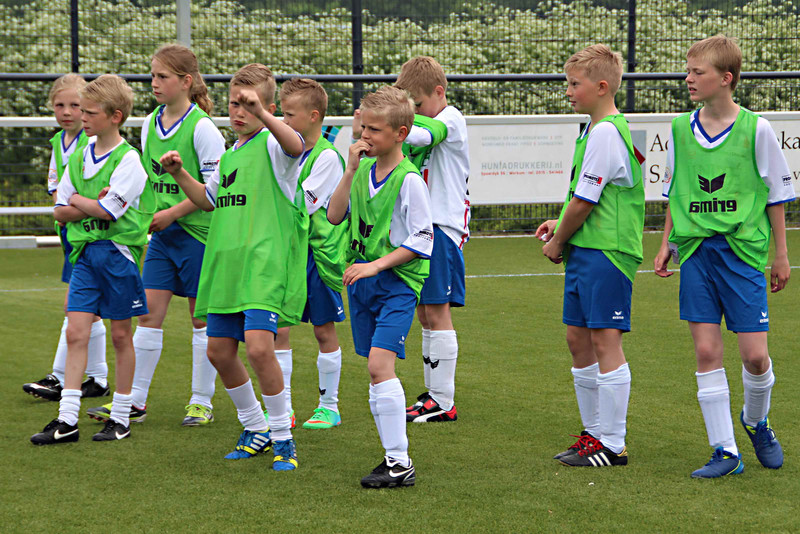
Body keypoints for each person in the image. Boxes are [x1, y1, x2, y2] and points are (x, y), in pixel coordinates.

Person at [654, 35, 794, 478]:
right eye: (688, 71)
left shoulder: (757, 129)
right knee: (706, 349)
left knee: (755, 357)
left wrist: (781, 255)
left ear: (726, 78)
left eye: (698, 72)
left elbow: (776, 194)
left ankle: (756, 421)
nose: (689, 79)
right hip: (697, 252)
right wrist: (667, 243)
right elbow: (676, 190)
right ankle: (725, 452)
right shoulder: (680, 128)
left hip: (742, 254)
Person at [160, 63, 305, 471]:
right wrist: (179, 173)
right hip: (226, 266)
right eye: (234, 104)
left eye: (249, 104)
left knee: (259, 347)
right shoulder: (228, 156)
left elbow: (296, 145)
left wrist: (264, 115)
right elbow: (207, 200)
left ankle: (283, 436)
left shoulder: (275, 146)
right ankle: (255, 426)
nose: (239, 111)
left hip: (262, 265)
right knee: (219, 351)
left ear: (268, 107)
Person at [86, 44, 225, 427]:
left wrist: (172, 213)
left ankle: (201, 402)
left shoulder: (203, 128)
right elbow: (149, 179)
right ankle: (134, 400)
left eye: (163, 76)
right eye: (152, 75)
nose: (154, 83)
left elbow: (213, 194)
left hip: (199, 235)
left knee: (201, 321)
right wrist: (120, 197)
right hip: (163, 236)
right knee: (148, 316)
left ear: (186, 81)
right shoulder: (150, 123)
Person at [31, 74, 155, 444]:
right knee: (76, 331)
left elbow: (107, 211)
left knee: (120, 334)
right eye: (80, 110)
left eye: (89, 112)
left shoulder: (129, 160)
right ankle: (67, 419)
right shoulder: (80, 155)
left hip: (118, 256)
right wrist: (88, 204)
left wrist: (81, 203)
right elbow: (59, 210)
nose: (82, 118)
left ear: (115, 117)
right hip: (85, 255)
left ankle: (121, 417)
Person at [536, 44, 643, 467]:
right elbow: (581, 198)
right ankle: (595, 433)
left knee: (604, 340)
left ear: (601, 87)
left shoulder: (605, 132)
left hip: (607, 251)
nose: (568, 91)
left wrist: (557, 241)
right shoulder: (593, 130)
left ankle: (613, 443)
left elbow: (586, 201)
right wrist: (558, 222)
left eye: (574, 84)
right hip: (588, 249)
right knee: (577, 340)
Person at [328, 86, 433, 488]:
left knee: (378, 365)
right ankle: (393, 458)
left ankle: (399, 462)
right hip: (363, 283)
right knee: (375, 372)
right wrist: (349, 170)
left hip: (397, 284)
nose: (364, 136)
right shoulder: (360, 171)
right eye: (363, 127)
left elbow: (423, 240)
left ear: (400, 133)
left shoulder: (409, 180)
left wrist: (375, 265)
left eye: (374, 130)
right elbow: (334, 216)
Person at [23, 73, 109, 403]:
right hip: (70, 234)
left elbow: (90, 197)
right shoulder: (59, 142)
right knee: (88, 308)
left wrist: (73, 208)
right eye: (60, 105)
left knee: (76, 305)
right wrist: (67, 208)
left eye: (76, 105)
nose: (68, 112)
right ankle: (97, 378)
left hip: (90, 234)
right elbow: (57, 192)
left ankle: (59, 377)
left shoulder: (92, 142)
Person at [396, 55, 470, 423]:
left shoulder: (451, 118)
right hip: (422, 227)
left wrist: (391, 119)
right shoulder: (426, 118)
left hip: (442, 225)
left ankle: (443, 401)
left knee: (437, 311)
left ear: (439, 92)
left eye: (417, 105)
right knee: (425, 312)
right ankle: (433, 394)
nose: (413, 114)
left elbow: (420, 135)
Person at [270, 78, 348, 430]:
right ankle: (283, 407)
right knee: (278, 330)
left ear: (314, 116)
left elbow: (303, 202)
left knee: (323, 330)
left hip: (317, 256)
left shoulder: (327, 157)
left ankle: (329, 406)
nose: (283, 121)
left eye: (289, 114)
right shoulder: (280, 150)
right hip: (285, 253)